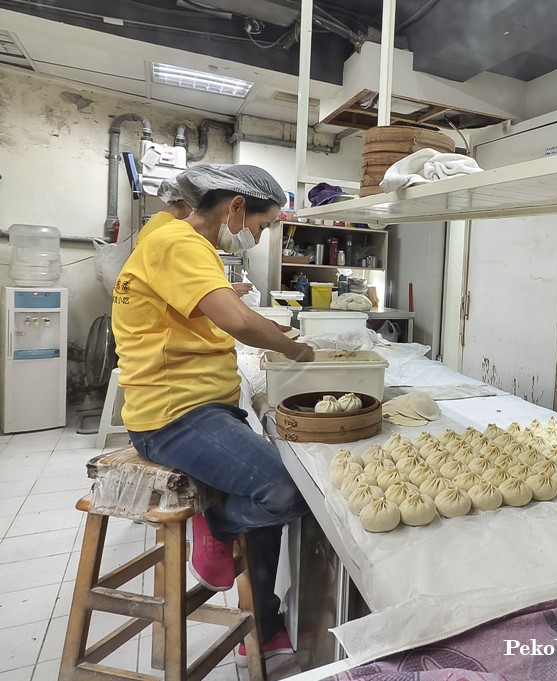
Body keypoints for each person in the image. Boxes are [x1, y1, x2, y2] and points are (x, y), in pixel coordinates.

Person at [111, 164, 314, 659]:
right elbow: (235, 318)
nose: (257, 238)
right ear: (236, 207)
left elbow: (222, 310)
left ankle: (263, 627)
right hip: (174, 414)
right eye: (261, 227)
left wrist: (270, 330)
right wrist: (298, 353)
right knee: (287, 489)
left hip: (202, 406)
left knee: (270, 485)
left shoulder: (170, 236)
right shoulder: (180, 244)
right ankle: (216, 521)